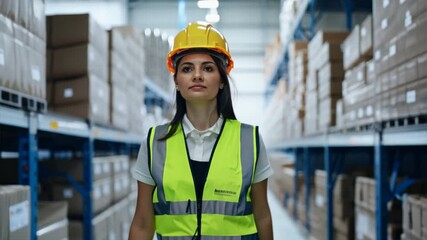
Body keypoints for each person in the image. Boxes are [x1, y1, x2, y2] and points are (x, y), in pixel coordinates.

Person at [129, 21, 273, 240]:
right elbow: (142, 223)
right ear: (176, 81)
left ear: (222, 81)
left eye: (207, 68)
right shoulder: (154, 142)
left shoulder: (249, 140)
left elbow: (262, 216)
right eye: (187, 69)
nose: (197, 75)